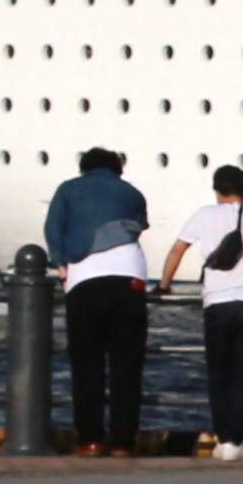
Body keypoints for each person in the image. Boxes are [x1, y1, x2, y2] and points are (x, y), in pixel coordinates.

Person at [160, 164, 243, 462]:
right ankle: (236, 441)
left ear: (217, 191)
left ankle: (223, 439)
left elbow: (178, 249)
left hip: (217, 304)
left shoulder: (204, 215)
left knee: (218, 375)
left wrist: (164, 284)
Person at [43, 147, 153, 456]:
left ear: (84, 168)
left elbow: (53, 229)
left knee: (87, 363)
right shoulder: (132, 192)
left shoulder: (68, 190)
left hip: (85, 279)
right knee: (126, 366)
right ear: (118, 168)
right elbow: (139, 225)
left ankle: (90, 439)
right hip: (130, 278)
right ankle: (122, 442)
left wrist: (61, 264)